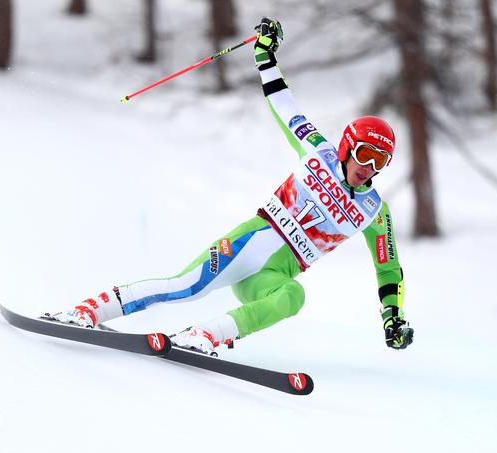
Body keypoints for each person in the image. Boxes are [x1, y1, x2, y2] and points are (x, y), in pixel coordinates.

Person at [46, 17, 414, 354]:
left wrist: (392, 316)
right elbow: (286, 108)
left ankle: (207, 335)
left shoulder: (373, 212)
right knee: (184, 286)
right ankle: (87, 310)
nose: (368, 167)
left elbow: (388, 268)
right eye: (365, 154)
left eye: (380, 161)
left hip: (274, 275)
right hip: (249, 243)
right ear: (348, 146)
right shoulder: (319, 153)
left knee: (293, 296)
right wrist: (265, 56)